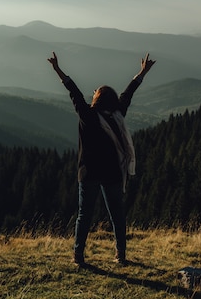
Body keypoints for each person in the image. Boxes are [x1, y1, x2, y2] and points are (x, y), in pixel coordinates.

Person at [47, 51, 155, 266]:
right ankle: (120, 255)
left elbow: (74, 91)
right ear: (112, 100)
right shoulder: (118, 115)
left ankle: (78, 256)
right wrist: (142, 72)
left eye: (95, 92)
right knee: (117, 214)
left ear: (96, 98)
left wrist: (57, 69)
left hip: (88, 173)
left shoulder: (87, 116)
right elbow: (128, 93)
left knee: (84, 216)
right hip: (112, 172)